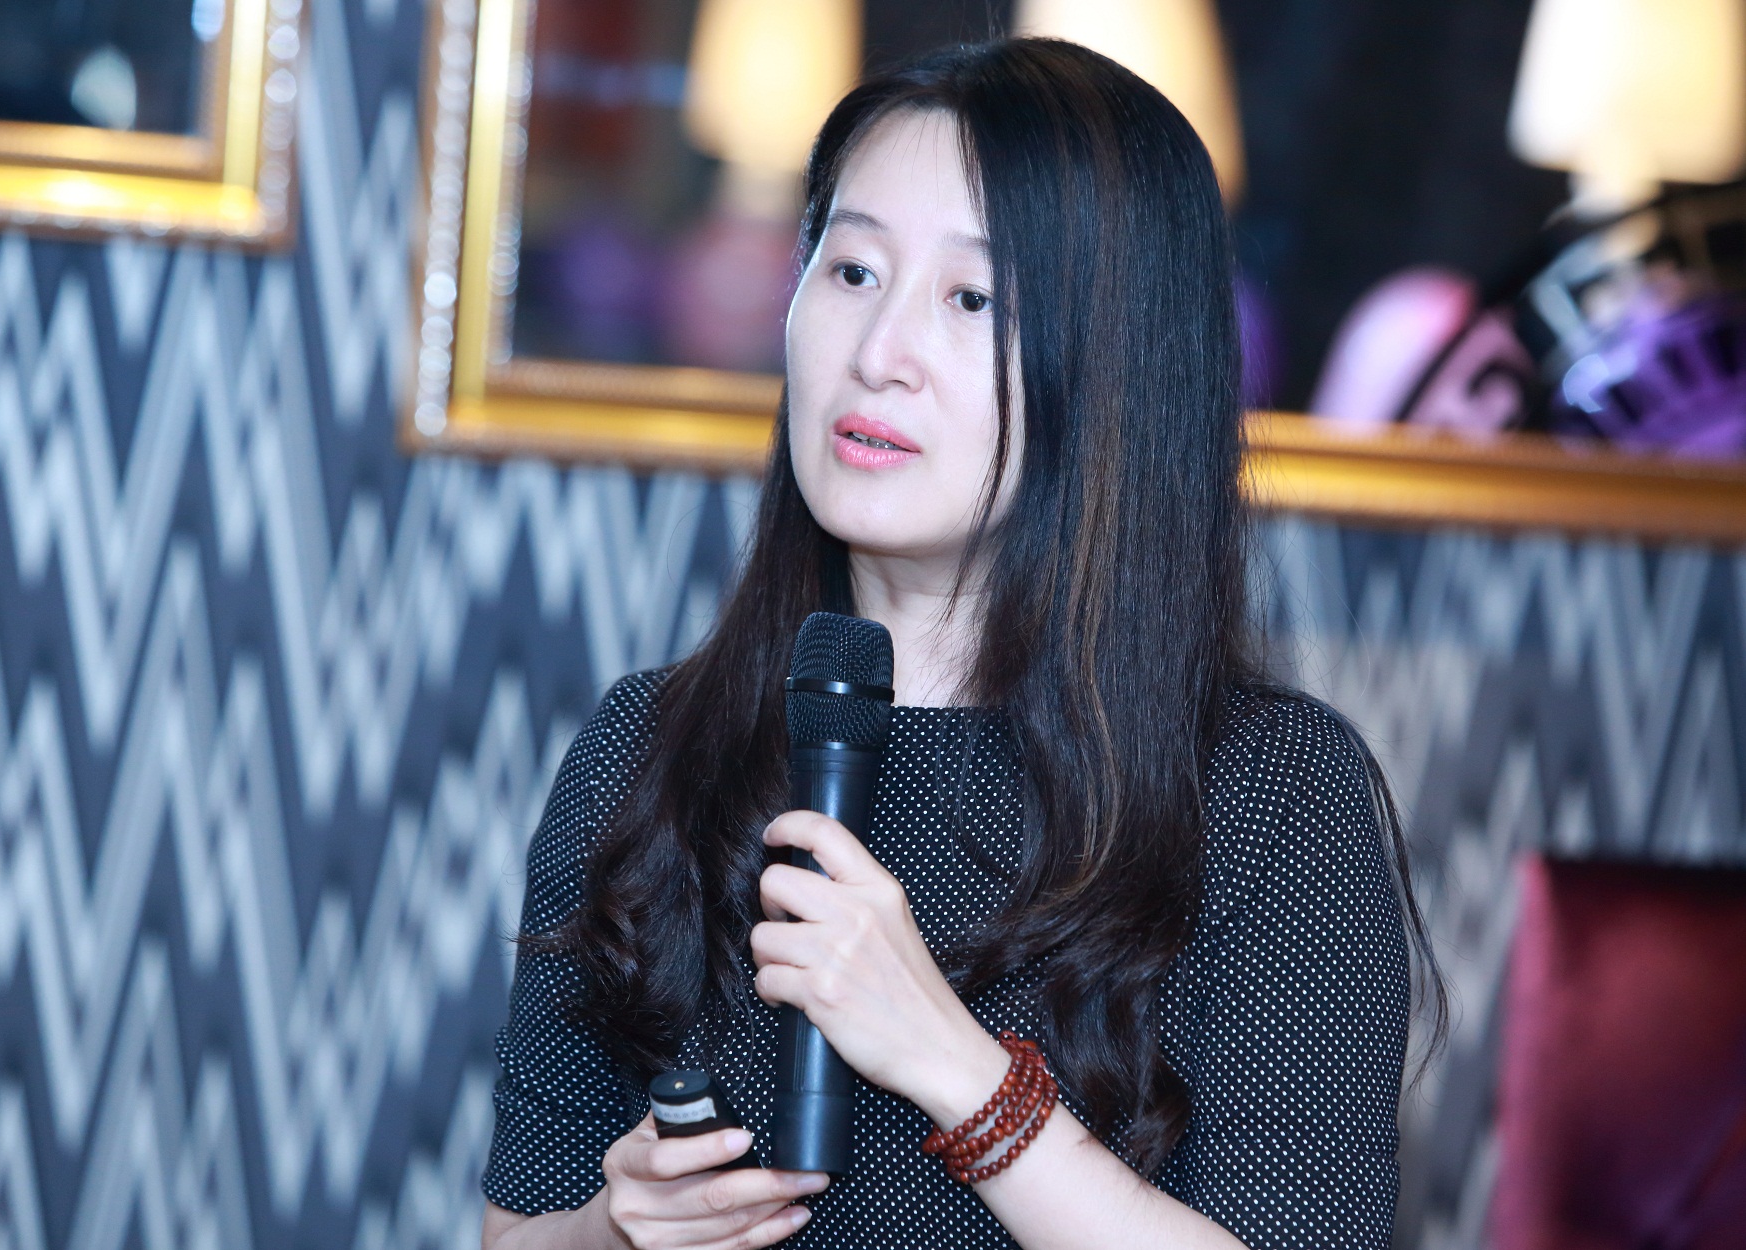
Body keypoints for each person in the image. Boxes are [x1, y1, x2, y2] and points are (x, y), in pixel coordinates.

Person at [479, 38, 1441, 1250]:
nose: (878, 352)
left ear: (1121, 364)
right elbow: (515, 1231)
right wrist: (617, 1226)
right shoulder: (648, 744)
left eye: (970, 299)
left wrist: (953, 1063)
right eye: (852, 270)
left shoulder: (1270, 793)